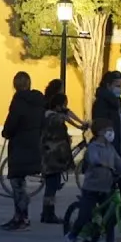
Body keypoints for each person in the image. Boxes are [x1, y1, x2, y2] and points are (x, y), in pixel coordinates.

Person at [64, 118, 121, 242]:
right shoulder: (93, 146)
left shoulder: (110, 147)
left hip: (106, 187)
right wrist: (101, 163)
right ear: (101, 132)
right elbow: (94, 158)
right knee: (84, 215)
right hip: (92, 188)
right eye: (109, 130)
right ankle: (71, 236)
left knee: (108, 216)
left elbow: (118, 161)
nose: (111, 133)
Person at [0, 70, 46, 231]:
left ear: (15, 86)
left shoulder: (18, 101)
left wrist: (6, 132)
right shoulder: (39, 101)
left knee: (17, 182)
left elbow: (12, 121)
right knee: (20, 182)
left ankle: (21, 218)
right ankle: (21, 217)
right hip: (33, 144)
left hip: (19, 145)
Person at [91, 71, 121, 209]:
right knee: (109, 191)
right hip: (109, 150)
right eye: (117, 85)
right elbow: (99, 127)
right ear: (108, 85)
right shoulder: (101, 103)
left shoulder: (119, 104)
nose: (119, 89)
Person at [39, 92, 75, 224]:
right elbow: (59, 135)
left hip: (50, 157)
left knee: (51, 187)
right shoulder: (53, 118)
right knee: (51, 188)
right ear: (58, 105)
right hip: (53, 159)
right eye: (64, 104)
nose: (66, 107)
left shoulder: (49, 116)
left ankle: (47, 212)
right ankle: (49, 214)